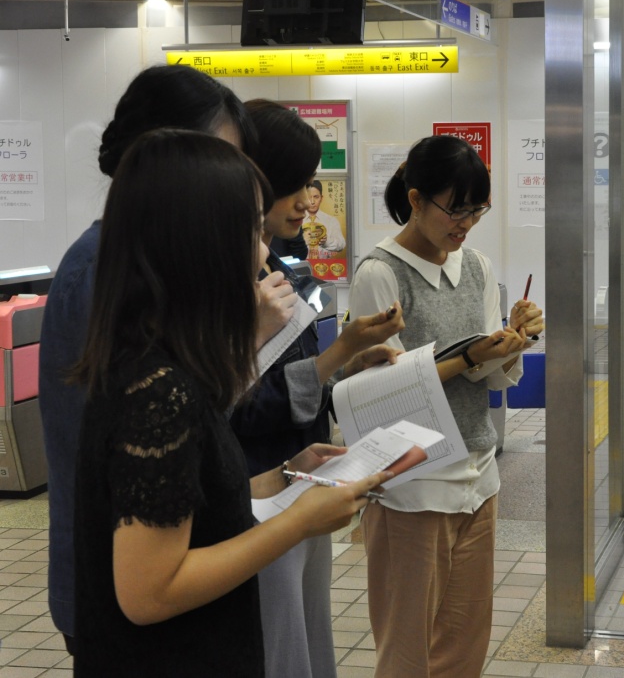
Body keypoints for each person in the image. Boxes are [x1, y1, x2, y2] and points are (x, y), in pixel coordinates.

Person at [70, 129, 390, 676]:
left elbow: (187, 507)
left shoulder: (158, 366)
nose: (263, 251)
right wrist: (297, 522)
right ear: (200, 244)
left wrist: (285, 478)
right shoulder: (159, 390)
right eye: (250, 230)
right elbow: (150, 591)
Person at [36, 64, 290, 655]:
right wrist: (247, 342)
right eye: (214, 158)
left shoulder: (145, 277)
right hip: (126, 590)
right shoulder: (101, 274)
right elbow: (139, 455)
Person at [347, 134, 544, 678]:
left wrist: (512, 342)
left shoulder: (475, 266)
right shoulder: (380, 273)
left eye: (477, 211)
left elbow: (492, 379)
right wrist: (469, 356)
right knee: (407, 650)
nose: (466, 224)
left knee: (463, 646)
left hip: (478, 476)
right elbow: (382, 393)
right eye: (455, 210)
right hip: (412, 485)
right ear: (415, 200)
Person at [234, 98, 404, 678]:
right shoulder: (223, 284)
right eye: (298, 185)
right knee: (280, 647)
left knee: (307, 638)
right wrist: (339, 351)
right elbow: (240, 407)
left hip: (299, 480)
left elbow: (293, 381)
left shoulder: (276, 267)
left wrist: (346, 367)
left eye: (313, 184)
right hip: (254, 499)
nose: (310, 201)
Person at [304, 179, 347, 254]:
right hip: (301, 261)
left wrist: (327, 242)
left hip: (326, 261)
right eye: (308, 197)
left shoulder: (331, 221)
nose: (312, 202)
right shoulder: (296, 220)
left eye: (316, 197)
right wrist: (302, 241)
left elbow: (341, 244)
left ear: (321, 198)